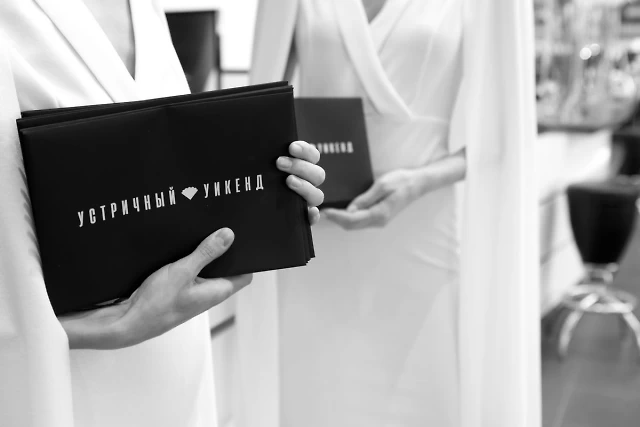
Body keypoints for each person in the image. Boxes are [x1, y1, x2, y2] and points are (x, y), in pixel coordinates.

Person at [0, 1, 324, 426]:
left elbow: (164, 172)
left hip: (181, 365)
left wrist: (272, 186)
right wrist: (111, 328)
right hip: (69, 389)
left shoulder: (144, 8)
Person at [237, 0, 541, 426]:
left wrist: (417, 181)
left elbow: (505, 135)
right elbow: (259, 111)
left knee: (425, 401)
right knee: (317, 400)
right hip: (319, 239)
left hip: (422, 239)